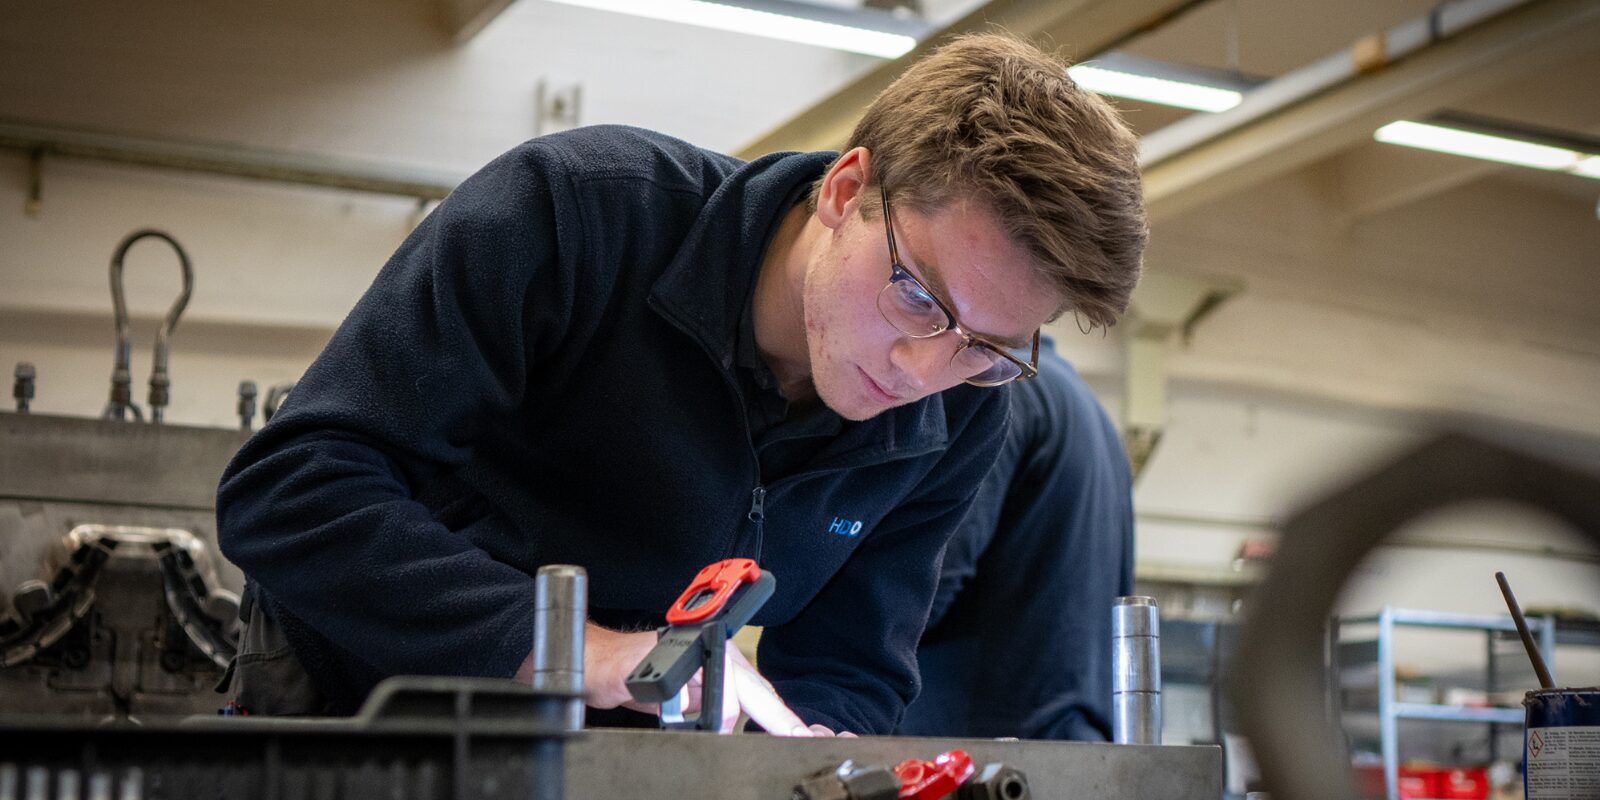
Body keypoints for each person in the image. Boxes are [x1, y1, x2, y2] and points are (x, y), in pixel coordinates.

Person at [214, 34, 1146, 736]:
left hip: (609, 758)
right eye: (914, 294)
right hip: (345, 716)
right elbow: (291, 493)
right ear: (846, 188)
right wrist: (586, 654)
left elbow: (850, 667)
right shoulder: (573, 218)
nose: (922, 370)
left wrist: (802, 757)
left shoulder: (964, 407)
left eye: (987, 345)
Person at [898, 337, 1134, 740]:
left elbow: (933, 577)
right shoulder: (1088, 410)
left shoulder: (1004, 391)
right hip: (1070, 736)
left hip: (983, 745)